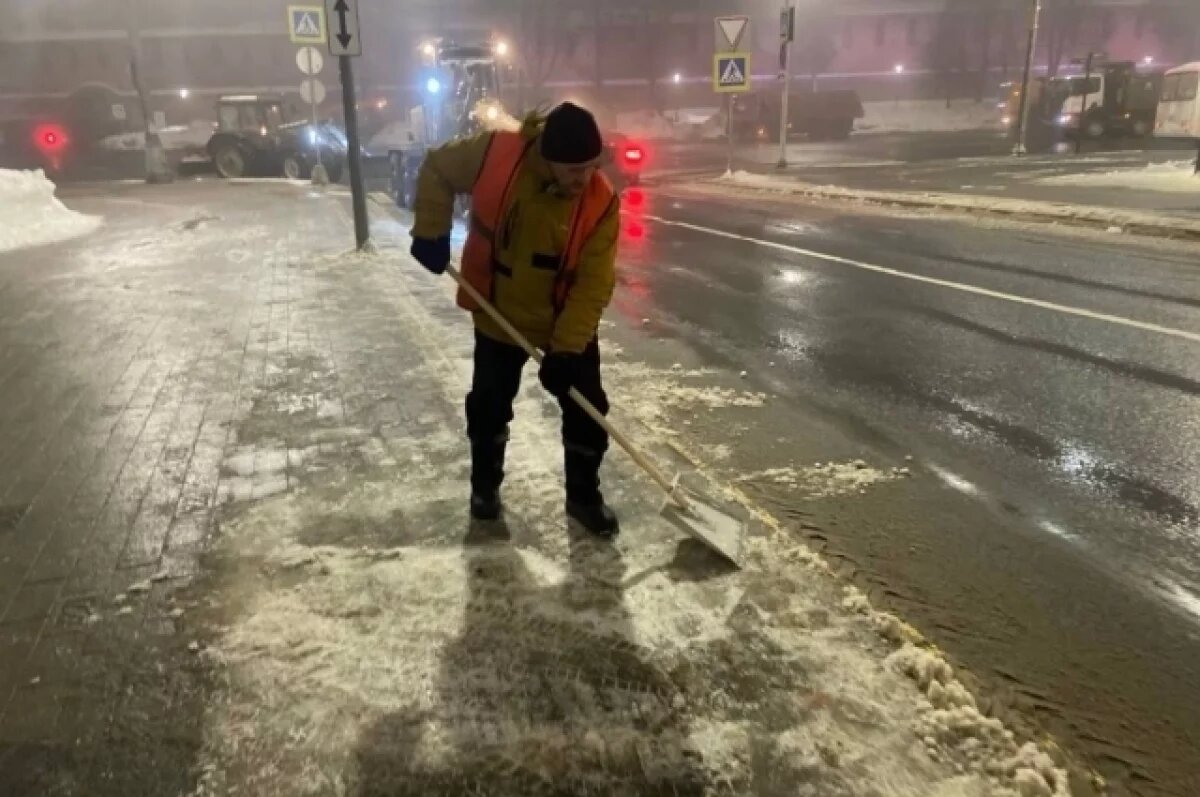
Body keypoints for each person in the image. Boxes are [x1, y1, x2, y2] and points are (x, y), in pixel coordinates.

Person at [408, 102, 622, 537]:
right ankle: (484, 490)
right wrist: (431, 229)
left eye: (590, 167)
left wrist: (566, 351)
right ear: (547, 156)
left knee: (589, 411)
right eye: (572, 169)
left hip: (561, 320)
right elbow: (438, 167)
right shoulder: (496, 154)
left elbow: (593, 285)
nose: (583, 179)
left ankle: (583, 498)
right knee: (488, 407)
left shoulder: (601, 202)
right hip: (498, 311)